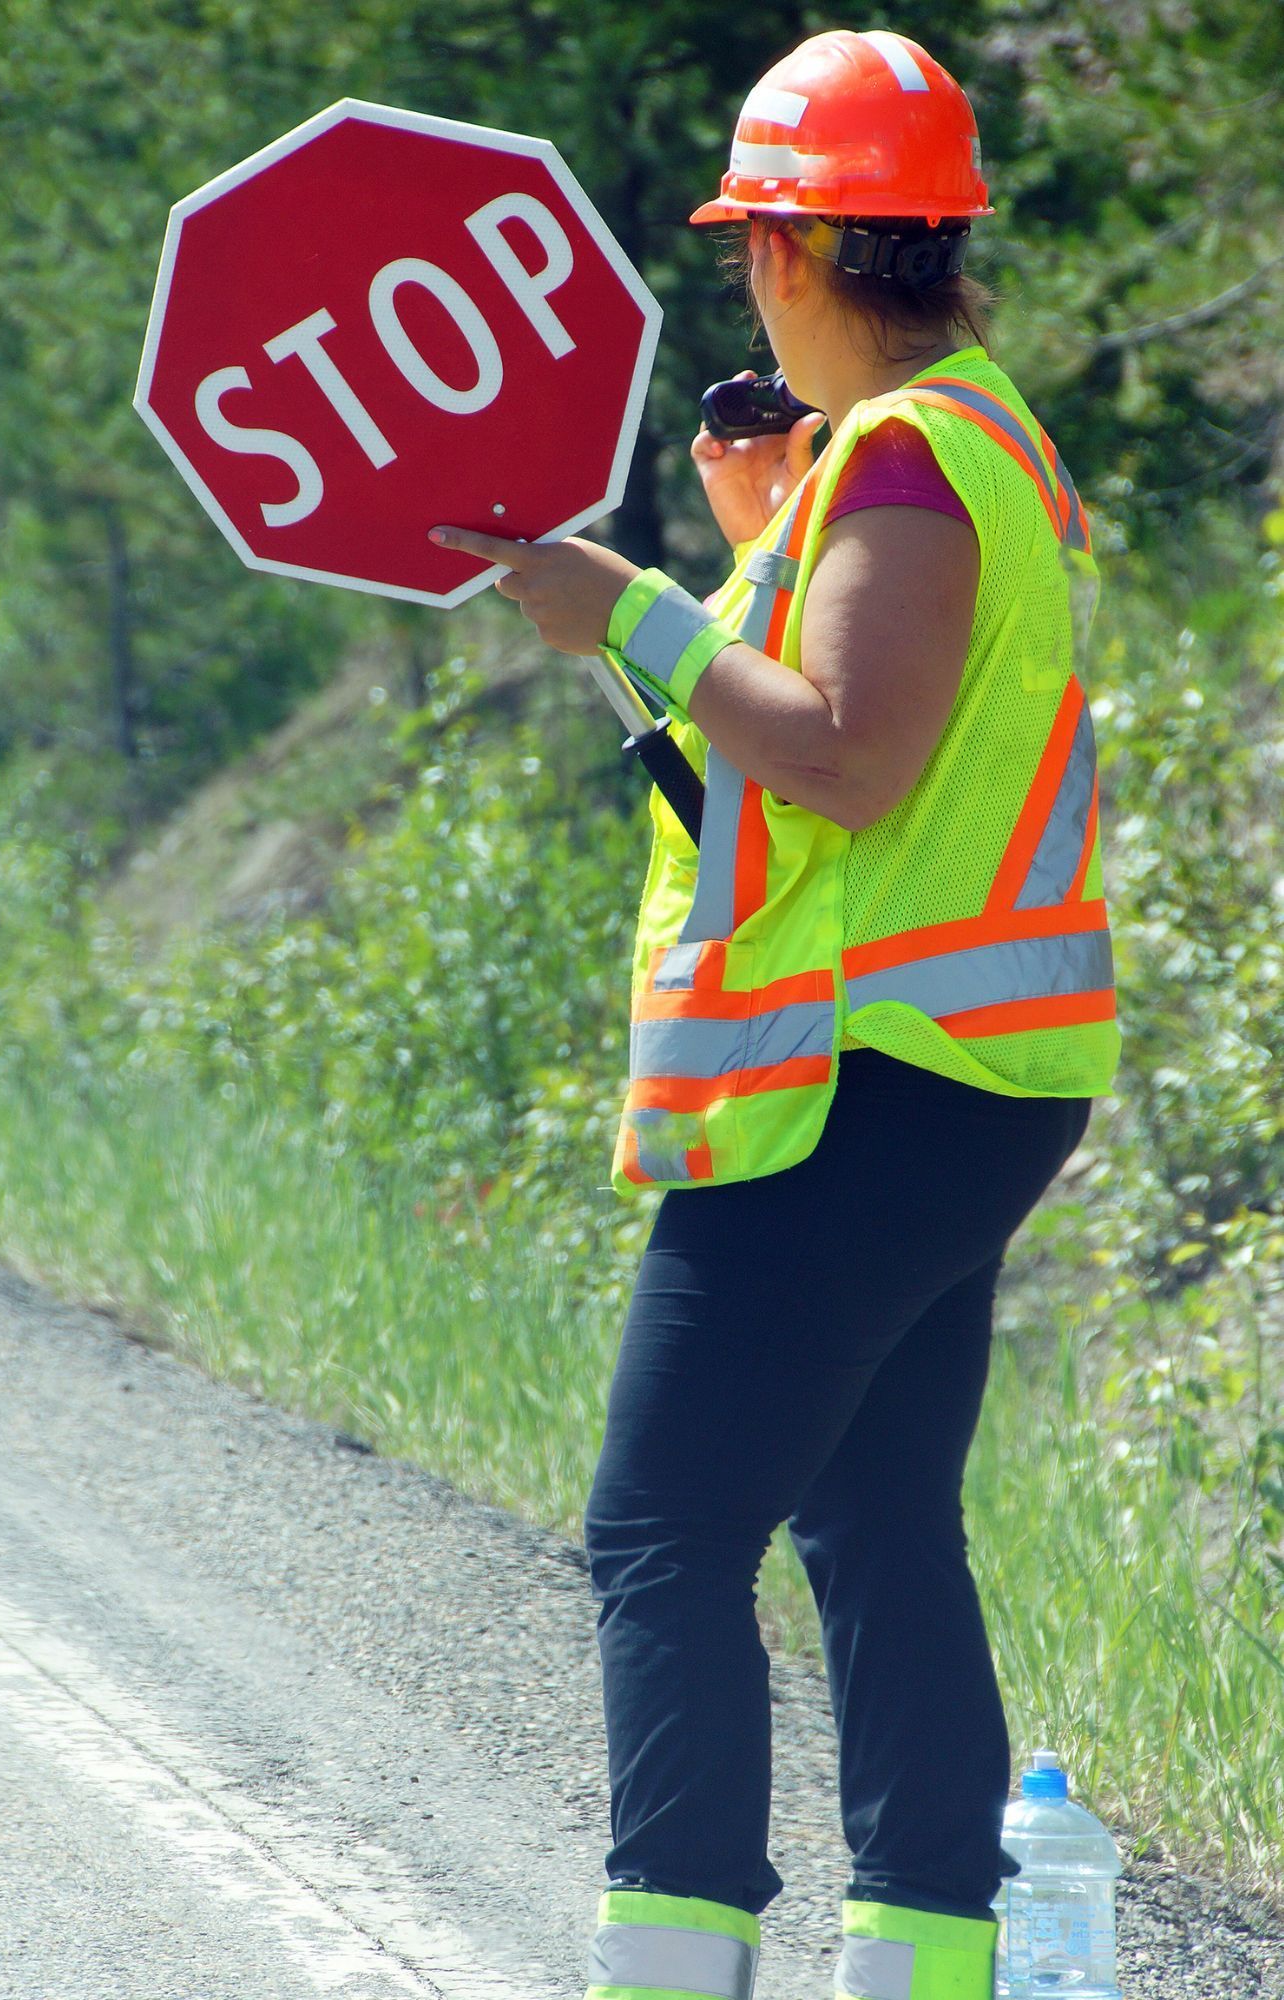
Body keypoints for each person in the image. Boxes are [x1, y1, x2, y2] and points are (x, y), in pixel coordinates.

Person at [431, 26, 1120, 2000]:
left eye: (751, 243)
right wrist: (728, 582)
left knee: (658, 1526)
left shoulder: (911, 459)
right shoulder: (948, 452)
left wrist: (637, 607)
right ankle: (923, 1965)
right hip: (951, 1080)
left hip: (871, 1087)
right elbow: (765, 782)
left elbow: (848, 760)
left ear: (791, 256)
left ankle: (672, 1969)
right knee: (875, 1513)